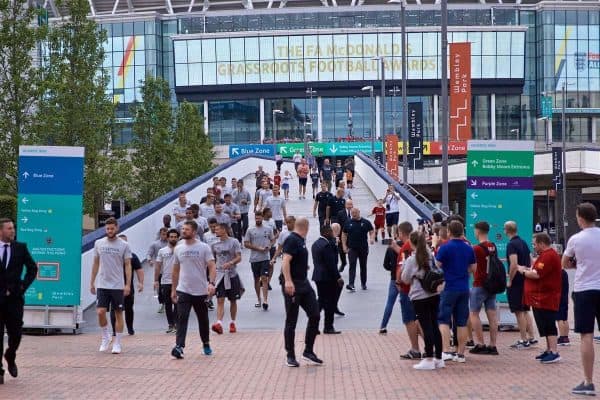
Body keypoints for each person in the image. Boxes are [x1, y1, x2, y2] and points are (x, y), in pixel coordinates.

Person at [563, 203, 600, 396]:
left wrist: (579, 263)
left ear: (579, 218)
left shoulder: (576, 239)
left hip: (584, 289)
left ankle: (588, 382)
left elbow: (565, 262)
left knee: (586, 335)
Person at [170, 220, 217, 359]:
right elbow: (175, 270)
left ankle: (206, 343)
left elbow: (212, 266)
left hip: (201, 290)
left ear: (194, 232)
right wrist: (173, 289)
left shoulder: (204, 247)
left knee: (203, 319)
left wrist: (211, 283)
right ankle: (179, 346)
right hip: (183, 289)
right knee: (181, 318)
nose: (183, 231)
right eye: (183, 229)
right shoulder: (178, 248)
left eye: (187, 229)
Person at [281, 217, 322, 367]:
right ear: (306, 227)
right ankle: (290, 355)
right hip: (293, 284)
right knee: (291, 320)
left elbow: (295, 260)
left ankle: (308, 351)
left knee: (315, 314)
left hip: (304, 283)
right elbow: (285, 261)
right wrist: (288, 281)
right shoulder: (292, 239)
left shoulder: (301, 241)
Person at [0, 218, 37, 384]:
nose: (12, 231)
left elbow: (32, 268)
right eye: (9, 228)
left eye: (13, 228)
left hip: (14, 299)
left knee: (16, 333)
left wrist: (23, 286)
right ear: (1, 231)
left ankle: (10, 354)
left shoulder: (20, 248)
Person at [401, 232, 444, 370]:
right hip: (434, 293)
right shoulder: (430, 256)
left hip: (420, 296)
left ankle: (429, 358)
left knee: (426, 326)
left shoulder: (412, 260)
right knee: (434, 325)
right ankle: (438, 358)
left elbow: (405, 279)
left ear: (411, 243)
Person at [435, 220, 476, 363]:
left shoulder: (445, 248)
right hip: (464, 287)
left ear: (449, 232)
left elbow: (437, 266)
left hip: (448, 287)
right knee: (461, 322)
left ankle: (446, 350)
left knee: (444, 320)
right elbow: (473, 268)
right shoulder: (469, 248)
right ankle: (461, 354)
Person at [90, 217, 132, 354]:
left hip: (117, 285)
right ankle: (106, 336)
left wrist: (127, 285)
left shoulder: (124, 245)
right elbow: (96, 263)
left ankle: (117, 343)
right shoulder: (98, 243)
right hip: (102, 284)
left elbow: (127, 265)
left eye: (112, 228)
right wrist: (92, 282)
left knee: (118, 313)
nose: (109, 231)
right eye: (107, 228)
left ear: (117, 228)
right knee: (100, 312)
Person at [519, 232, 562, 364]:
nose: (534, 246)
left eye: (535, 244)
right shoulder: (544, 255)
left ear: (542, 243)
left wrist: (523, 271)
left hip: (546, 297)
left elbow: (537, 274)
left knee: (548, 323)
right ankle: (549, 350)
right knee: (543, 324)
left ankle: (554, 351)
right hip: (540, 297)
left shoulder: (548, 256)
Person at [390, 222, 422, 359]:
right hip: (422, 289)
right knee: (422, 319)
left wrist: (398, 282)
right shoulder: (421, 246)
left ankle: (415, 348)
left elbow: (401, 268)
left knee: (409, 319)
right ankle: (431, 346)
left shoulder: (405, 248)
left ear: (401, 233)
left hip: (408, 289)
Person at [504, 221, 537, 349]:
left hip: (517, 281)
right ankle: (532, 337)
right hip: (525, 279)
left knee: (519, 311)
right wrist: (527, 270)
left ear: (507, 230)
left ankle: (523, 339)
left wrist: (510, 280)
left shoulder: (511, 245)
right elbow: (531, 260)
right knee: (525, 309)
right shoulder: (523, 242)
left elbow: (513, 264)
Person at [468, 221, 499, 356]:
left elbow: (472, 266)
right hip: (491, 284)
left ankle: (480, 343)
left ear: (478, 231)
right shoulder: (493, 246)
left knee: (474, 314)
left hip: (479, 283)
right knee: (492, 315)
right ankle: (493, 345)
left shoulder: (476, 248)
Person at [211, 223, 243, 335]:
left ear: (224, 230)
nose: (215, 231)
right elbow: (212, 260)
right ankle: (219, 323)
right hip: (220, 275)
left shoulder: (234, 242)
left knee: (233, 300)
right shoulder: (214, 244)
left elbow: (239, 257)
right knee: (220, 299)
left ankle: (232, 322)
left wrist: (231, 262)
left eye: (218, 229)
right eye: (215, 229)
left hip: (231, 274)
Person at [312, 225, 344, 335]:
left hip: (318, 276)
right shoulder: (327, 245)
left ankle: (313, 325)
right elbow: (331, 263)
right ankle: (328, 326)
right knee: (329, 302)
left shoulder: (316, 244)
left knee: (320, 301)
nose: (332, 233)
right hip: (327, 277)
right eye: (331, 232)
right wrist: (338, 277)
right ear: (326, 233)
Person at [110, 234, 144, 336]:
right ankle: (114, 330)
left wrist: (141, 283)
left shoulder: (133, 256)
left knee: (129, 308)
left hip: (128, 287)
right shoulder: (112, 256)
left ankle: (130, 328)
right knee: (114, 309)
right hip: (114, 287)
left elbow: (139, 270)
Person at [244, 211, 275, 310]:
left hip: (265, 258)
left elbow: (273, 239)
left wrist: (270, 245)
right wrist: (258, 248)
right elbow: (246, 244)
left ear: (262, 218)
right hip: (254, 259)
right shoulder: (250, 230)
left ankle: (265, 300)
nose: (258, 220)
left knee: (264, 278)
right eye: (256, 218)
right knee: (256, 279)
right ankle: (259, 299)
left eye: (259, 218)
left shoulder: (268, 229)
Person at [342, 208, 375, 291]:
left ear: (359, 212)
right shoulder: (348, 222)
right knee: (352, 265)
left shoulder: (365, 222)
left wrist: (371, 238)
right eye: (352, 213)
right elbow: (344, 234)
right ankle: (351, 284)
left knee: (363, 266)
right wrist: (344, 245)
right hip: (352, 248)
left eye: (355, 212)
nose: (354, 214)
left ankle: (363, 283)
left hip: (363, 248)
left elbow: (371, 231)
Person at [155, 229, 180, 333]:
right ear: (168, 238)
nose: (173, 238)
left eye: (175, 237)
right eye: (171, 237)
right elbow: (158, 266)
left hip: (179, 282)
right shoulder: (162, 251)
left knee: (178, 304)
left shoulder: (181, 250)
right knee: (168, 304)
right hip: (165, 281)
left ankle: (177, 324)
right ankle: (171, 324)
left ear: (178, 238)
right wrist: (156, 280)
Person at [148, 228, 168, 313]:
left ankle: (169, 303)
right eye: (163, 234)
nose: (164, 236)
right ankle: (162, 303)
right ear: (160, 234)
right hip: (159, 270)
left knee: (169, 288)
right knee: (159, 288)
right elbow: (149, 253)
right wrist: (149, 260)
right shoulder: (155, 244)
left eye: (166, 234)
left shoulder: (172, 244)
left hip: (170, 271)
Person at [335, 199, 353, 272]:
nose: (349, 206)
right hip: (342, 236)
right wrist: (336, 235)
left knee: (352, 253)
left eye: (350, 204)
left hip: (352, 236)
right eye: (348, 204)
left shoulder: (354, 212)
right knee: (341, 251)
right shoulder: (340, 213)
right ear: (345, 205)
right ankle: (343, 263)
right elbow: (338, 224)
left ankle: (352, 266)